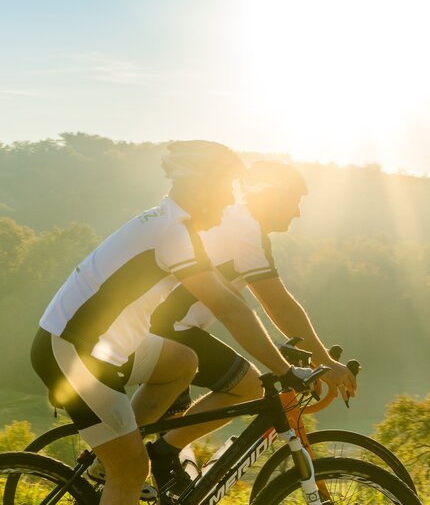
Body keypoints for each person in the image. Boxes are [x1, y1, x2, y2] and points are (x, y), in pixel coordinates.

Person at [31, 142, 312, 505]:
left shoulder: (173, 226)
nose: (230, 201)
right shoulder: (172, 234)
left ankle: (111, 453)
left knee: (182, 362)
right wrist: (284, 370)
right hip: (72, 350)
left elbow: (231, 303)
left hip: (108, 345)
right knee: (132, 471)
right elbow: (231, 309)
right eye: (226, 189)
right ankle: (117, 462)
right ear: (203, 187)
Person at [148, 161, 358, 470]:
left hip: (160, 327)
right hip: (169, 329)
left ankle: (115, 464)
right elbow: (279, 304)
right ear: (272, 196)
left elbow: (250, 308)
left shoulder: (234, 220)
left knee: (171, 431)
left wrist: (305, 353)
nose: (297, 212)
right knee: (246, 386)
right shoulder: (246, 229)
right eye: (294, 202)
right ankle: (156, 456)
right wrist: (324, 360)